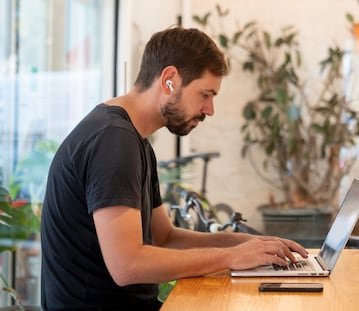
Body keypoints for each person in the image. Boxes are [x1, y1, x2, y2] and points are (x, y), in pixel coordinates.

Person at [40, 26, 308, 310]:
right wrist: (231, 258)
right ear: (169, 80)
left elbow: (165, 238)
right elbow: (127, 266)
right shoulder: (113, 141)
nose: (210, 110)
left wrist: (248, 244)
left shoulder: (133, 139)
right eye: (205, 94)